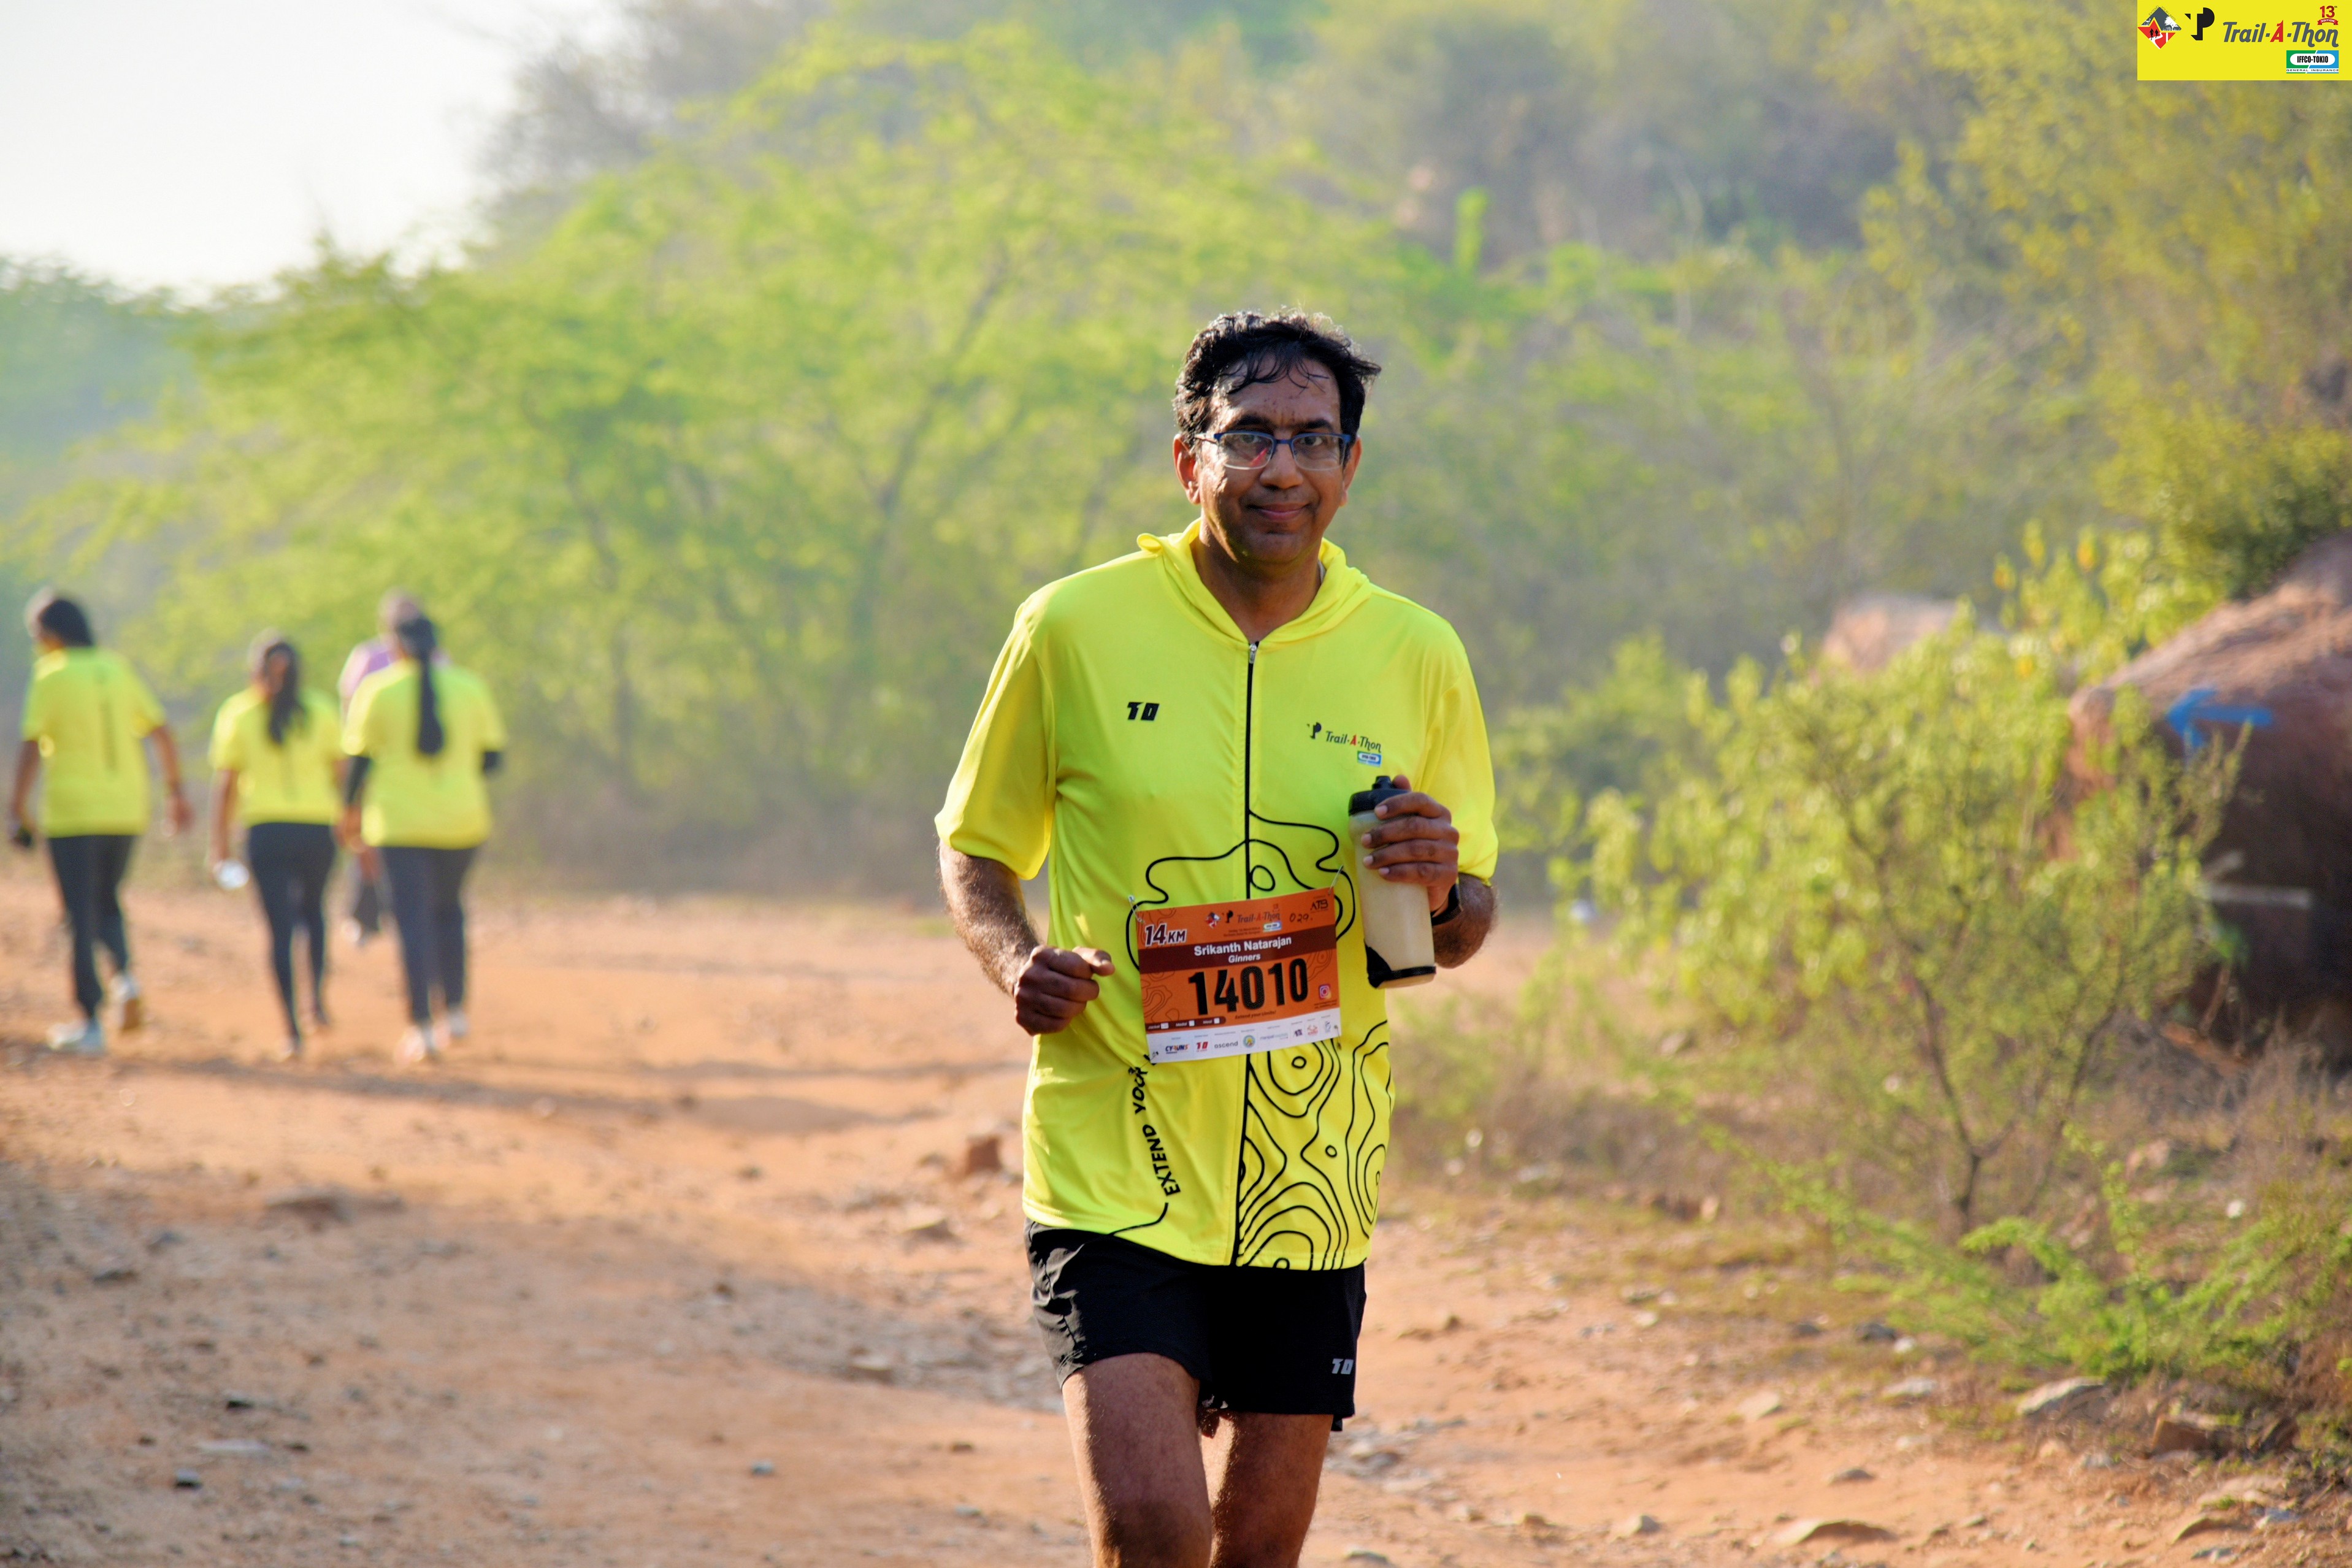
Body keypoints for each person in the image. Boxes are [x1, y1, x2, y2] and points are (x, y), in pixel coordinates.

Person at [937, 310, 1498, 1568]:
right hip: (1114, 1154)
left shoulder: (1417, 653)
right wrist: (1014, 959)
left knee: (1254, 1553)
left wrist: (1441, 891)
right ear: (1189, 458)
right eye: (1250, 437)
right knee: (1153, 1529)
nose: (1282, 468)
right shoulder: (1071, 627)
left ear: (1352, 466)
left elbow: (1462, 923)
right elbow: (975, 844)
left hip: (1313, 1169)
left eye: (1313, 439)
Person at [6, 591, 192, 1055]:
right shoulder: (118, 669)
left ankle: (90, 1019)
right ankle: (125, 980)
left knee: (79, 912)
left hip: (74, 811)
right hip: (126, 808)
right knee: (107, 898)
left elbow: (32, 743)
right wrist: (175, 791)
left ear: (52, 635)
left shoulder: (52, 674)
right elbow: (161, 731)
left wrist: (17, 806)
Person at [340, 615, 505, 1065]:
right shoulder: (470, 687)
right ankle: (455, 1011)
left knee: (412, 921)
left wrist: (349, 814)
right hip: (462, 821)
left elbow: (359, 763)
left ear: (394, 645)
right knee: (449, 911)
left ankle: (422, 1026)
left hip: (400, 825)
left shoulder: (377, 691)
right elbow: (492, 760)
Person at [208, 633, 345, 1061]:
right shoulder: (321, 710)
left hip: (266, 830)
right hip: (316, 827)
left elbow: (227, 784)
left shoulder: (239, 712)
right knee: (314, 913)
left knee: (280, 930)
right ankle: (315, 1001)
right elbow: (341, 772)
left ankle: (291, 1029)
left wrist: (220, 844)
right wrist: (349, 821)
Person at [335, 590, 424, 949]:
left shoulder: (436, 659)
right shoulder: (368, 658)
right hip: (376, 763)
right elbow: (350, 710)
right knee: (367, 838)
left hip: (422, 768)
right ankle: (365, 913)